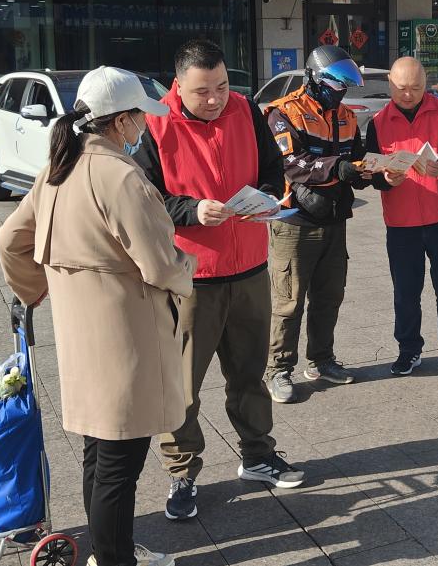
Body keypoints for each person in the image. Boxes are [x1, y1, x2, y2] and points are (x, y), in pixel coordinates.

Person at [0, 66, 193, 566]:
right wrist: (187, 272)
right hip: (129, 337)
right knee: (119, 468)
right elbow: (160, 265)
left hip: (80, 337)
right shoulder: (121, 176)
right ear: (122, 121)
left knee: (99, 455)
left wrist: (36, 289)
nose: (144, 126)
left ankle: (109, 553)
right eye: (139, 117)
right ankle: (114, 560)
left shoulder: (58, 167)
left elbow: (9, 240)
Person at [134, 40, 305, 522]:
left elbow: (273, 168)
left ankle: (258, 455)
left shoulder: (247, 110)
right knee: (182, 385)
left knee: (249, 373)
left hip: (249, 267)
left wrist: (266, 195)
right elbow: (144, 199)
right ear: (178, 85)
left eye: (223, 86)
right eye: (202, 91)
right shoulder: (155, 123)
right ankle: (182, 471)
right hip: (192, 277)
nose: (215, 99)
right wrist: (193, 210)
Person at [262, 45, 371, 403]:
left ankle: (321, 360)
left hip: (335, 219)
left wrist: (375, 173)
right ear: (314, 77)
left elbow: (355, 161)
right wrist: (337, 168)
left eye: (345, 85)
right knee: (289, 301)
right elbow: (291, 162)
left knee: (329, 296)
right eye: (335, 82)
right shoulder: (284, 113)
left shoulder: (347, 117)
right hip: (295, 221)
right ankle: (278, 369)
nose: (341, 90)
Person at [367, 57, 438, 376]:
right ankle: (409, 351)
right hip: (402, 225)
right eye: (402, 88)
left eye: (416, 88)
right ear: (390, 84)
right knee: (405, 293)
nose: (408, 94)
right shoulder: (378, 122)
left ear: (426, 84)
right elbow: (371, 170)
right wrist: (385, 179)